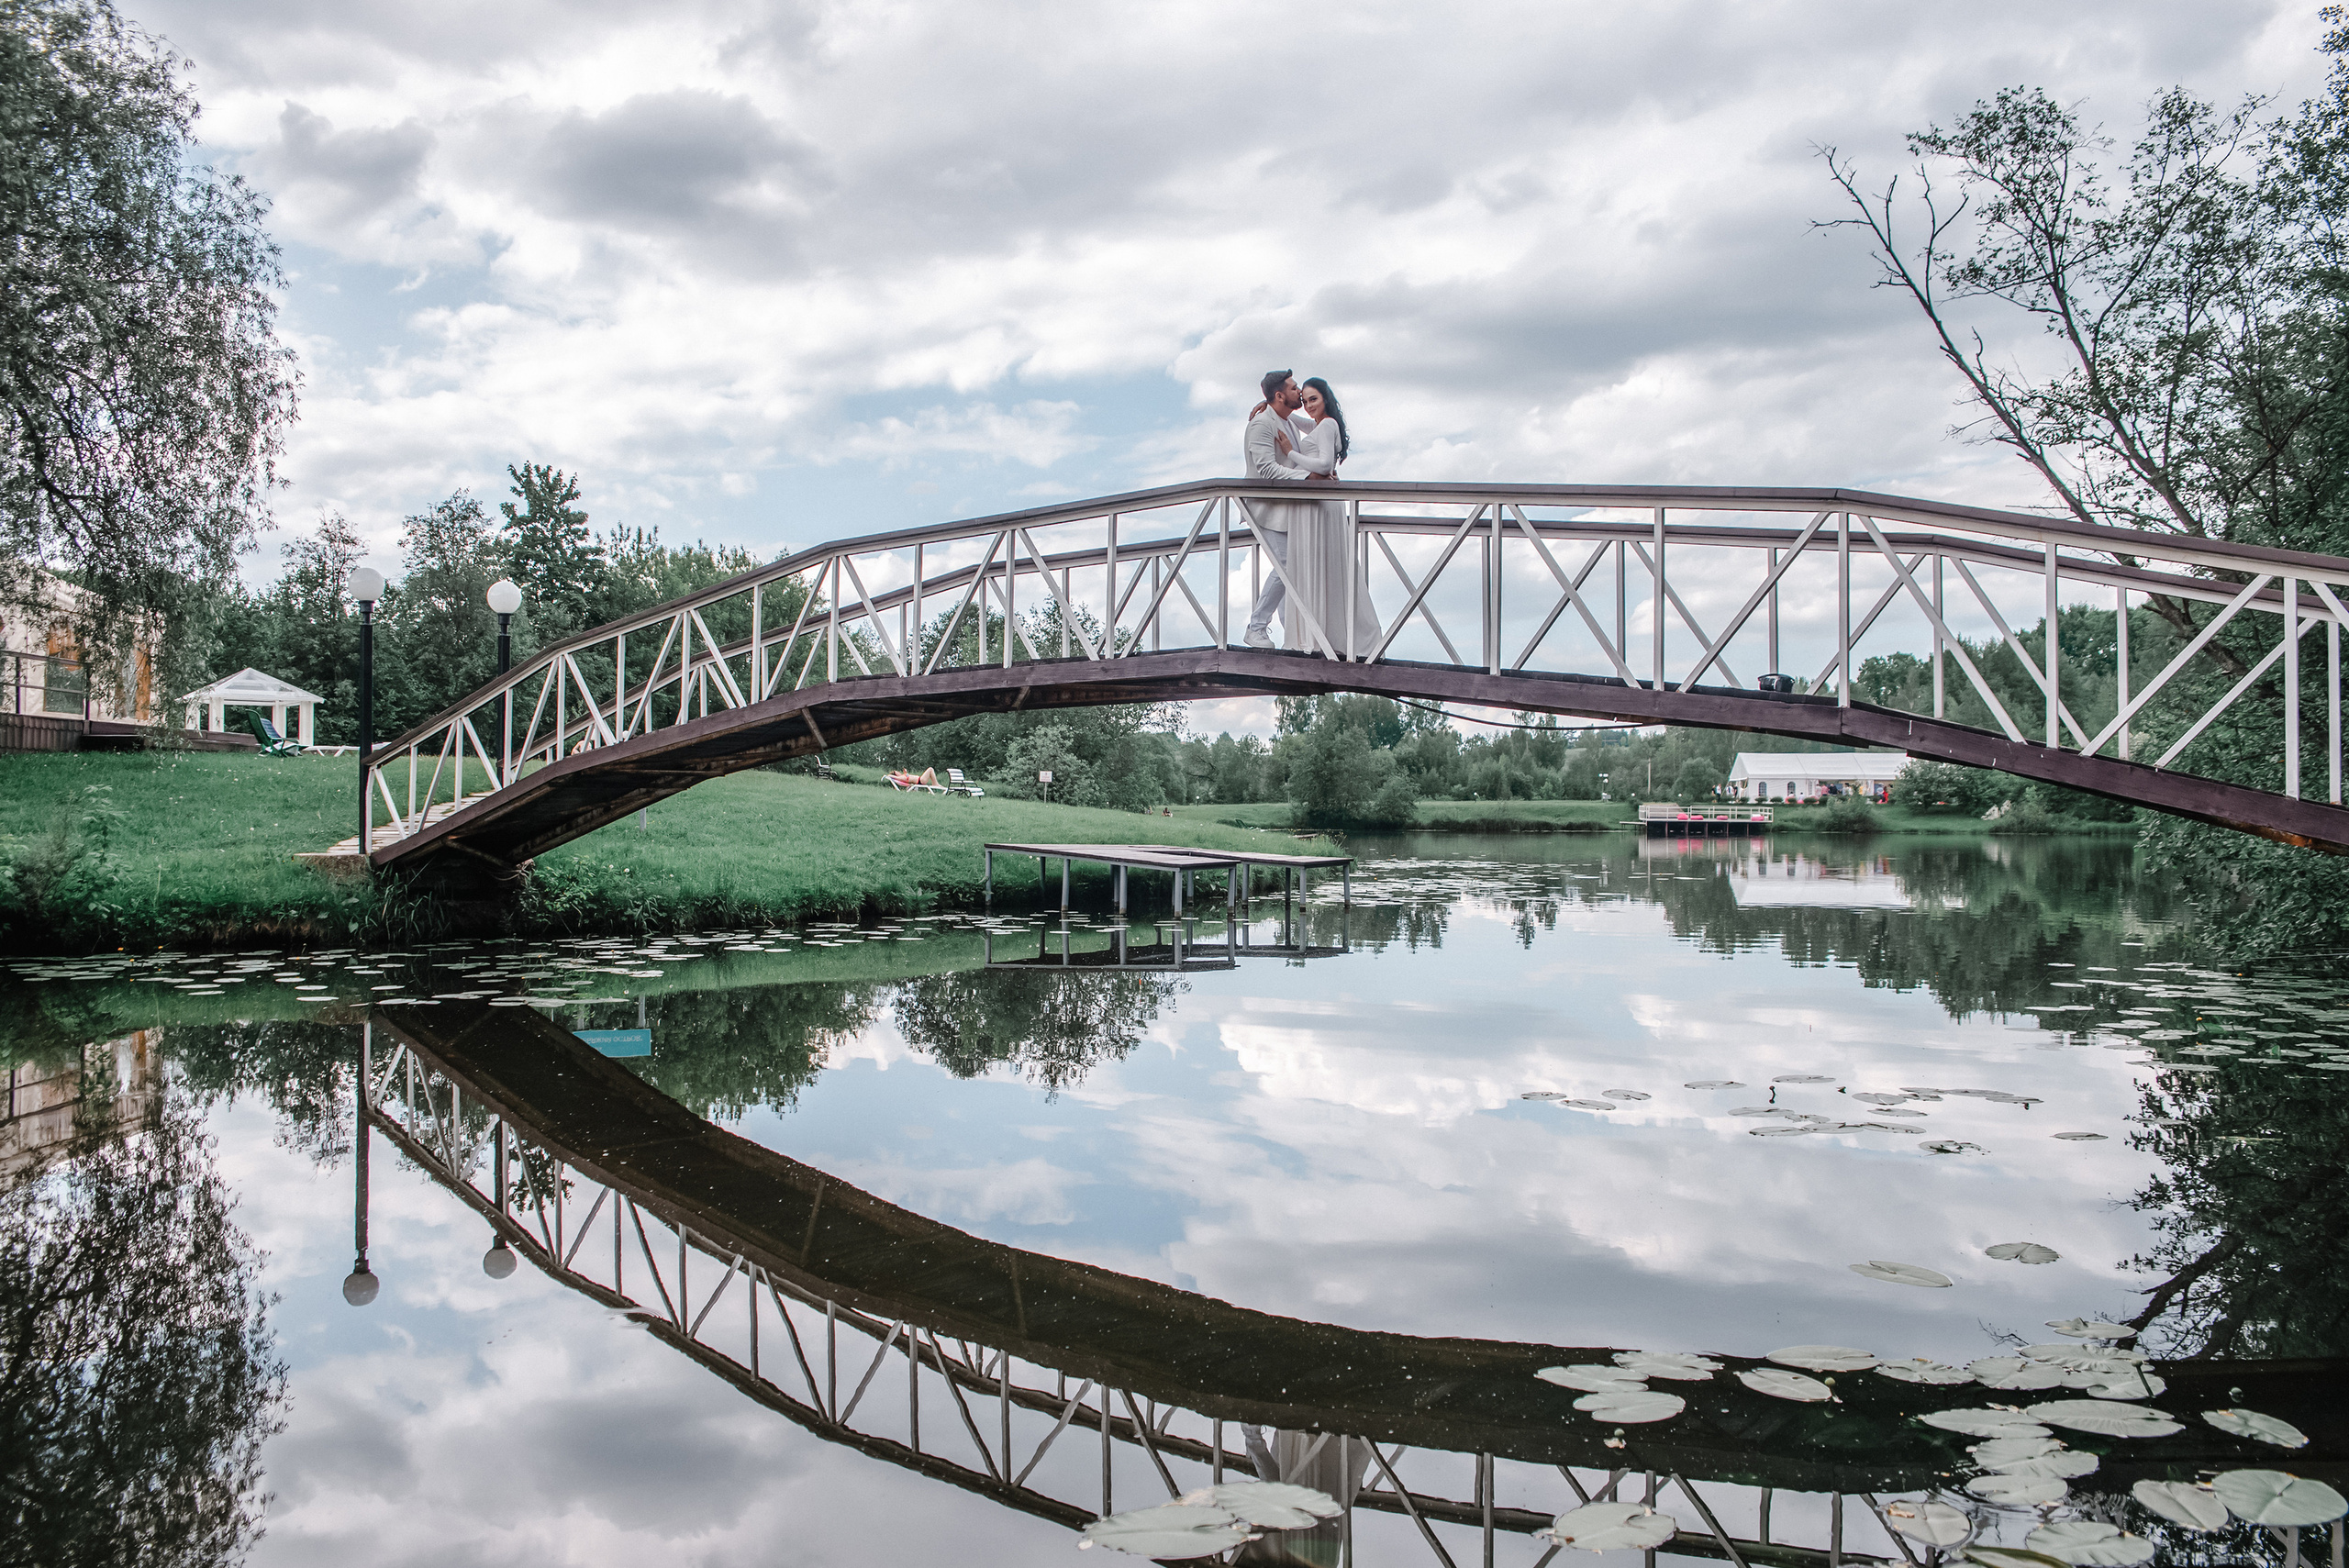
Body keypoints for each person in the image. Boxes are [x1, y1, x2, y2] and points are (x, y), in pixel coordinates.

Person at [1278, 376, 1379, 658]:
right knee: (1329, 567)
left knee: (1328, 566)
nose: (1309, 405)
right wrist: (1271, 404)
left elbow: (1323, 465)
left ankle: (1330, 637)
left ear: (1326, 399)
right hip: (1324, 504)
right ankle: (1327, 634)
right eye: (1306, 400)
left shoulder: (1327, 425)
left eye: (1314, 399)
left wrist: (1290, 453)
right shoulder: (1322, 425)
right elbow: (1302, 423)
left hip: (1321, 505)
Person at [1241, 370, 1315, 649]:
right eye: (1294, 388)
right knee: (1286, 568)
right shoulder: (1261, 424)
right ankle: (1256, 628)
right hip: (1266, 510)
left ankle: (1291, 639)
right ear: (1280, 395)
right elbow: (1266, 468)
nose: (1300, 392)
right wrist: (1308, 479)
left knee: (1289, 571)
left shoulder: (1287, 422)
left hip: (1286, 511)